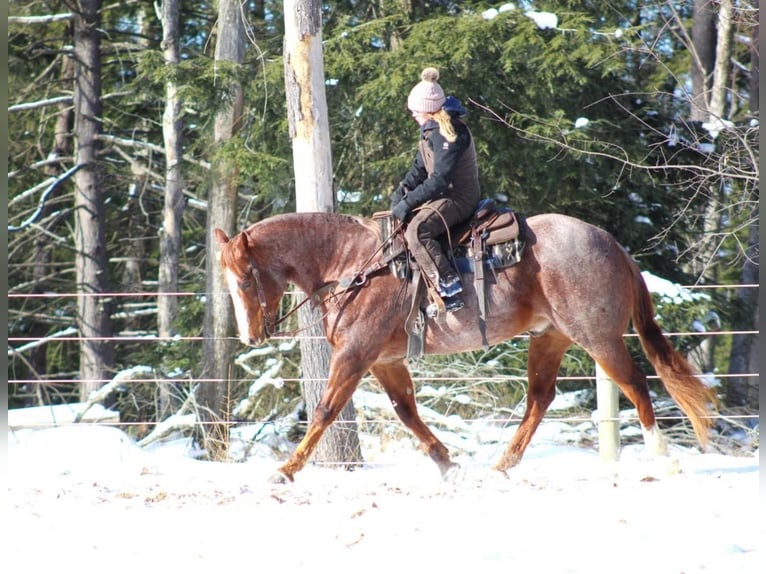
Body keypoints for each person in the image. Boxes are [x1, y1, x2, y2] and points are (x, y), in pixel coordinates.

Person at [390, 67, 481, 313]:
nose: (413, 115)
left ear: (429, 110)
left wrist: (408, 205)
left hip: (459, 197)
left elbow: (440, 179)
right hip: (443, 195)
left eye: (415, 111)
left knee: (418, 231)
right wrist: (400, 195)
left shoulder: (450, 132)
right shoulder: (430, 131)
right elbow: (419, 170)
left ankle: (450, 286)